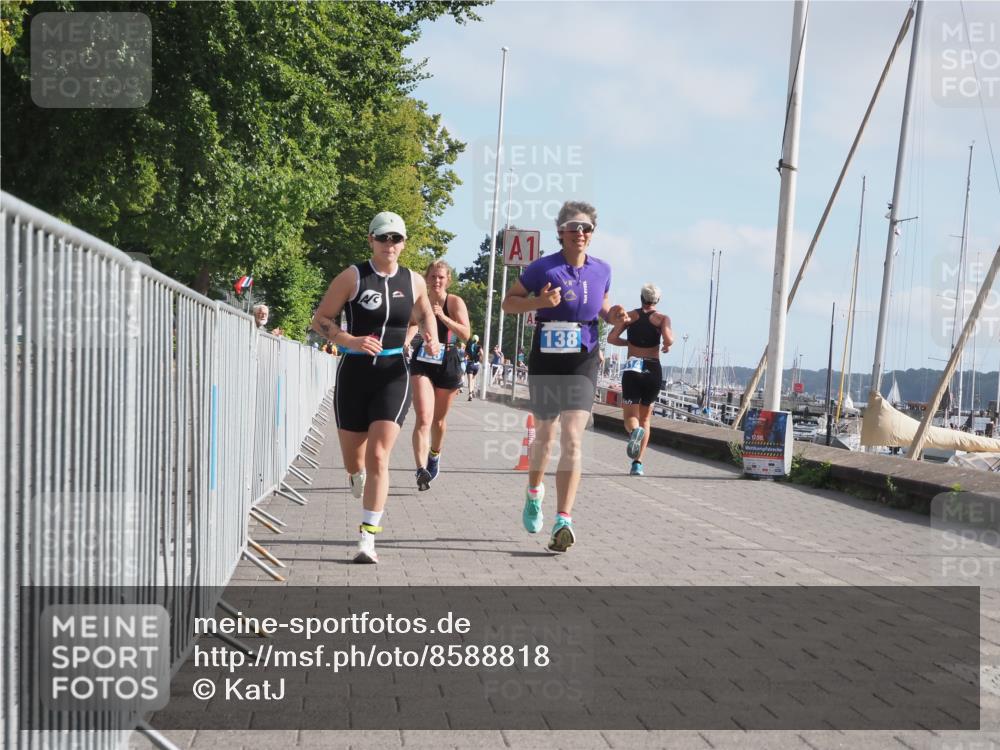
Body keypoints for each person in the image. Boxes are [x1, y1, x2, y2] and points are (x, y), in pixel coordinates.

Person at [311, 211, 439, 564]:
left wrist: (432, 335)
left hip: (394, 372)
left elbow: (426, 311)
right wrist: (350, 339)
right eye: (383, 238)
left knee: (379, 455)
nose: (389, 245)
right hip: (354, 373)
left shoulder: (413, 280)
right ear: (371, 240)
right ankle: (357, 477)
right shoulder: (353, 276)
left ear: (403, 243)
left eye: (396, 239)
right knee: (356, 463)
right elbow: (321, 319)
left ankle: (367, 538)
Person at [501, 200, 629, 553]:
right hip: (546, 356)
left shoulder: (602, 269)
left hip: (583, 358)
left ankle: (563, 520)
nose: (581, 234)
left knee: (573, 437)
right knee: (545, 435)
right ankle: (533, 493)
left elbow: (602, 307)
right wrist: (538, 303)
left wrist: (615, 314)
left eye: (587, 228)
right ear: (561, 232)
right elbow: (508, 303)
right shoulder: (543, 268)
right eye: (574, 227)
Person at [406, 260, 471, 490]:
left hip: (448, 360)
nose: (436, 281)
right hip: (423, 360)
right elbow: (414, 324)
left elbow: (465, 334)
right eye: (432, 276)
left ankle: (434, 454)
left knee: (439, 420)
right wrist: (406, 341)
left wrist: (442, 317)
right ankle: (420, 469)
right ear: (427, 278)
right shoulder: (420, 300)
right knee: (424, 417)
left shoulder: (454, 301)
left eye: (441, 277)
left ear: (448, 280)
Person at [607, 283, 674, 476]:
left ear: (641, 298)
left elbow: (611, 338)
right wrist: (667, 344)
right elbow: (669, 340)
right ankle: (638, 464)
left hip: (633, 366)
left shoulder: (630, 316)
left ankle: (634, 431)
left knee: (630, 417)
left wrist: (629, 342)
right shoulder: (662, 319)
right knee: (646, 418)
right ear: (657, 300)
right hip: (653, 368)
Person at [465, 334, 483, 399]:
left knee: (470, 380)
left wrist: (467, 356)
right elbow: (482, 354)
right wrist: (479, 356)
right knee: (473, 379)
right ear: (477, 340)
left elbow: (465, 355)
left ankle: (470, 394)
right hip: (476, 365)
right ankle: (472, 390)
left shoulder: (468, 346)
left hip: (470, 364)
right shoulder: (479, 346)